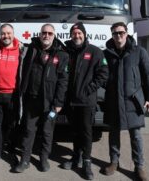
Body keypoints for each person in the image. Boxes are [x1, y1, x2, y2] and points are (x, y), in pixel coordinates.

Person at [103, 22, 149, 181]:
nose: (118, 36)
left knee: (136, 135)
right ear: (112, 35)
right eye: (115, 33)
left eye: (121, 33)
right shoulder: (107, 54)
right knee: (113, 133)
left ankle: (139, 166)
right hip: (113, 100)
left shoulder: (139, 52)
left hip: (133, 102)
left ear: (127, 34)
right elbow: (102, 74)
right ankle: (114, 162)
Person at [14, 24, 69, 173]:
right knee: (28, 130)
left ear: (54, 35)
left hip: (50, 103)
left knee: (47, 132)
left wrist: (58, 103)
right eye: (44, 33)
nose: (46, 35)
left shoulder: (62, 55)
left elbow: (63, 81)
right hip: (31, 100)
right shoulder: (31, 49)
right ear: (39, 34)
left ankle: (43, 159)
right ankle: (24, 160)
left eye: (50, 33)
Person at [62, 22, 108, 180]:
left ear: (84, 34)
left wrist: (89, 90)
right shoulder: (67, 52)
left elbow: (103, 74)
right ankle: (76, 158)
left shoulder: (95, 52)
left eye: (79, 33)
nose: (77, 36)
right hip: (71, 101)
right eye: (74, 33)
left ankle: (87, 162)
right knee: (74, 131)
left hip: (87, 101)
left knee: (86, 132)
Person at [0, 24, 26, 166]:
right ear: (0, 34)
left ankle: (11, 150)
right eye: (3, 33)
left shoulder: (22, 50)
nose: (6, 36)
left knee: (12, 124)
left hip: (13, 95)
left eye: (8, 33)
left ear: (13, 34)